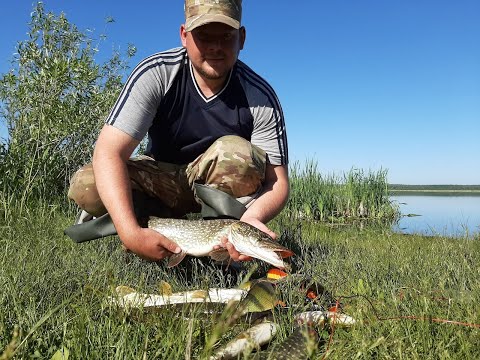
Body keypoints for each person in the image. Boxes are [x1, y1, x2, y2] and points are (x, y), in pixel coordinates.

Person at [67, 0, 289, 265]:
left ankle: (217, 255)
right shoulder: (156, 74)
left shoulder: (260, 96)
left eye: (226, 36)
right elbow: (108, 152)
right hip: (160, 178)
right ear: (184, 35)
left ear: (241, 38)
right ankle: (144, 228)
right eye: (204, 36)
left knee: (236, 154)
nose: (216, 47)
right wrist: (130, 233)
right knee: (88, 184)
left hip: (211, 188)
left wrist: (249, 221)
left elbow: (277, 184)